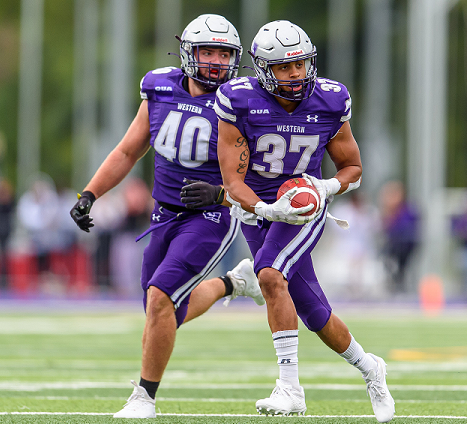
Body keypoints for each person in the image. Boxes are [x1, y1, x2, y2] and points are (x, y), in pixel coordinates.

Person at [182, 20, 394, 422]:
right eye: (284, 67)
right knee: (314, 312)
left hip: (303, 205)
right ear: (263, 69)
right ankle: (370, 368)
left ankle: (290, 389)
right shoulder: (238, 100)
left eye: (300, 64)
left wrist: (324, 188)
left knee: (268, 273)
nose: (295, 73)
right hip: (255, 206)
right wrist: (264, 210)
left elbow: (353, 168)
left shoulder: (330, 100)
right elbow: (232, 181)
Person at [69, 14, 265, 419]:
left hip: (212, 216)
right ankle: (232, 284)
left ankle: (144, 398)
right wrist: (90, 193)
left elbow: (261, 176)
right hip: (163, 214)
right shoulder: (160, 87)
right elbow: (127, 151)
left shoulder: (242, 102)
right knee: (162, 310)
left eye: (223, 53)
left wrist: (220, 193)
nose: (214, 61)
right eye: (207, 52)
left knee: (160, 298)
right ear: (188, 54)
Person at [379, 180, 419, 293]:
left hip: (405, 244)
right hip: (394, 243)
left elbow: (409, 227)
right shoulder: (392, 211)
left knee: (403, 267)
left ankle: (400, 285)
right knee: (388, 262)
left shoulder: (408, 210)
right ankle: (396, 284)